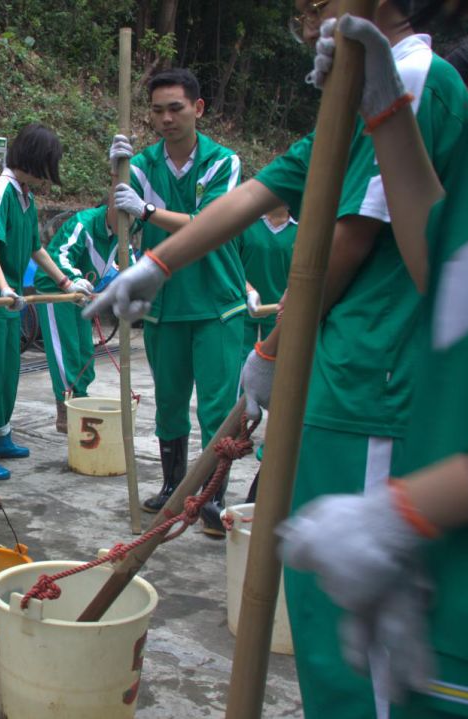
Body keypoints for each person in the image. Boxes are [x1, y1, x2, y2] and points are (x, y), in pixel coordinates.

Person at [92, 1, 468, 715]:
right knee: (326, 618)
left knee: (359, 637)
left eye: (318, 3)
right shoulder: (353, 96)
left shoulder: (414, 78)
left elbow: (350, 241)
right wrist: (155, 267)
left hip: (377, 384)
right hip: (339, 379)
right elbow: (259, 192)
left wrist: (271, 345)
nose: (303, 13)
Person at [280, 3, 468, 715]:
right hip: (451, 590)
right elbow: (444, 265)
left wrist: (403, 511)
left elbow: (349, 240)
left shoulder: (447, 84)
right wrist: (385, 111)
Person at [110, 68, 246, 535]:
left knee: (216, 407)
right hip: (165, 305)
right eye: (157, 110)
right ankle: (172, 487)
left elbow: (207, 225)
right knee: (168, 402)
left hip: (216, 305)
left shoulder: (222, 162)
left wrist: (146, 210)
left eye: (176, 108)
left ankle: (211, 496)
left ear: (198, 109)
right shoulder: (143, 165)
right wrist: (119, 174)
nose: (166, 118)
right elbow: (117, 225)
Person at [0, 124, 92, 480]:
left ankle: (0, 436)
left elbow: (36, 248)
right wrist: (4, 287)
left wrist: (66, 281)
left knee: (7, 372)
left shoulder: (25, 196)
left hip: (10, 298)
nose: (51, 176)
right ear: (35, 160)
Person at [32, 196, 124, 433]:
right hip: (56, 289)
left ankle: (80, 400)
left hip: (83, 294)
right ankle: (66, 407)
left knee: (85, 351)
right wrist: (71, 279)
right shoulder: (84, 222)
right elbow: (61, 255)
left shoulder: (122, 228)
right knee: (66, 350)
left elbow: (127, 260)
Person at [241, 205, 297, 362]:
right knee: (240, 365)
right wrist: (248, 291)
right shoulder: (246, 224)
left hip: (279, 312)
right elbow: (231, 264)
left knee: (274, 365)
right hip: (243, 307)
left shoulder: (300, 232)